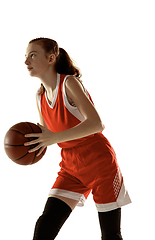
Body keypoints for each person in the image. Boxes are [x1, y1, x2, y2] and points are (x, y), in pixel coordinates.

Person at [23, 38, 131, 240]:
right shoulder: (40, 96)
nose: (26, 60)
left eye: (33, 55)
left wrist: (52, 137)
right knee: (46, 224)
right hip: (71, 166)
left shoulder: (69, 83)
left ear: (51, 58)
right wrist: (27, 145)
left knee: (111, 235)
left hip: (100, 163)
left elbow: (96, 124)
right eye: (25, 56)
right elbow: (46, 136)